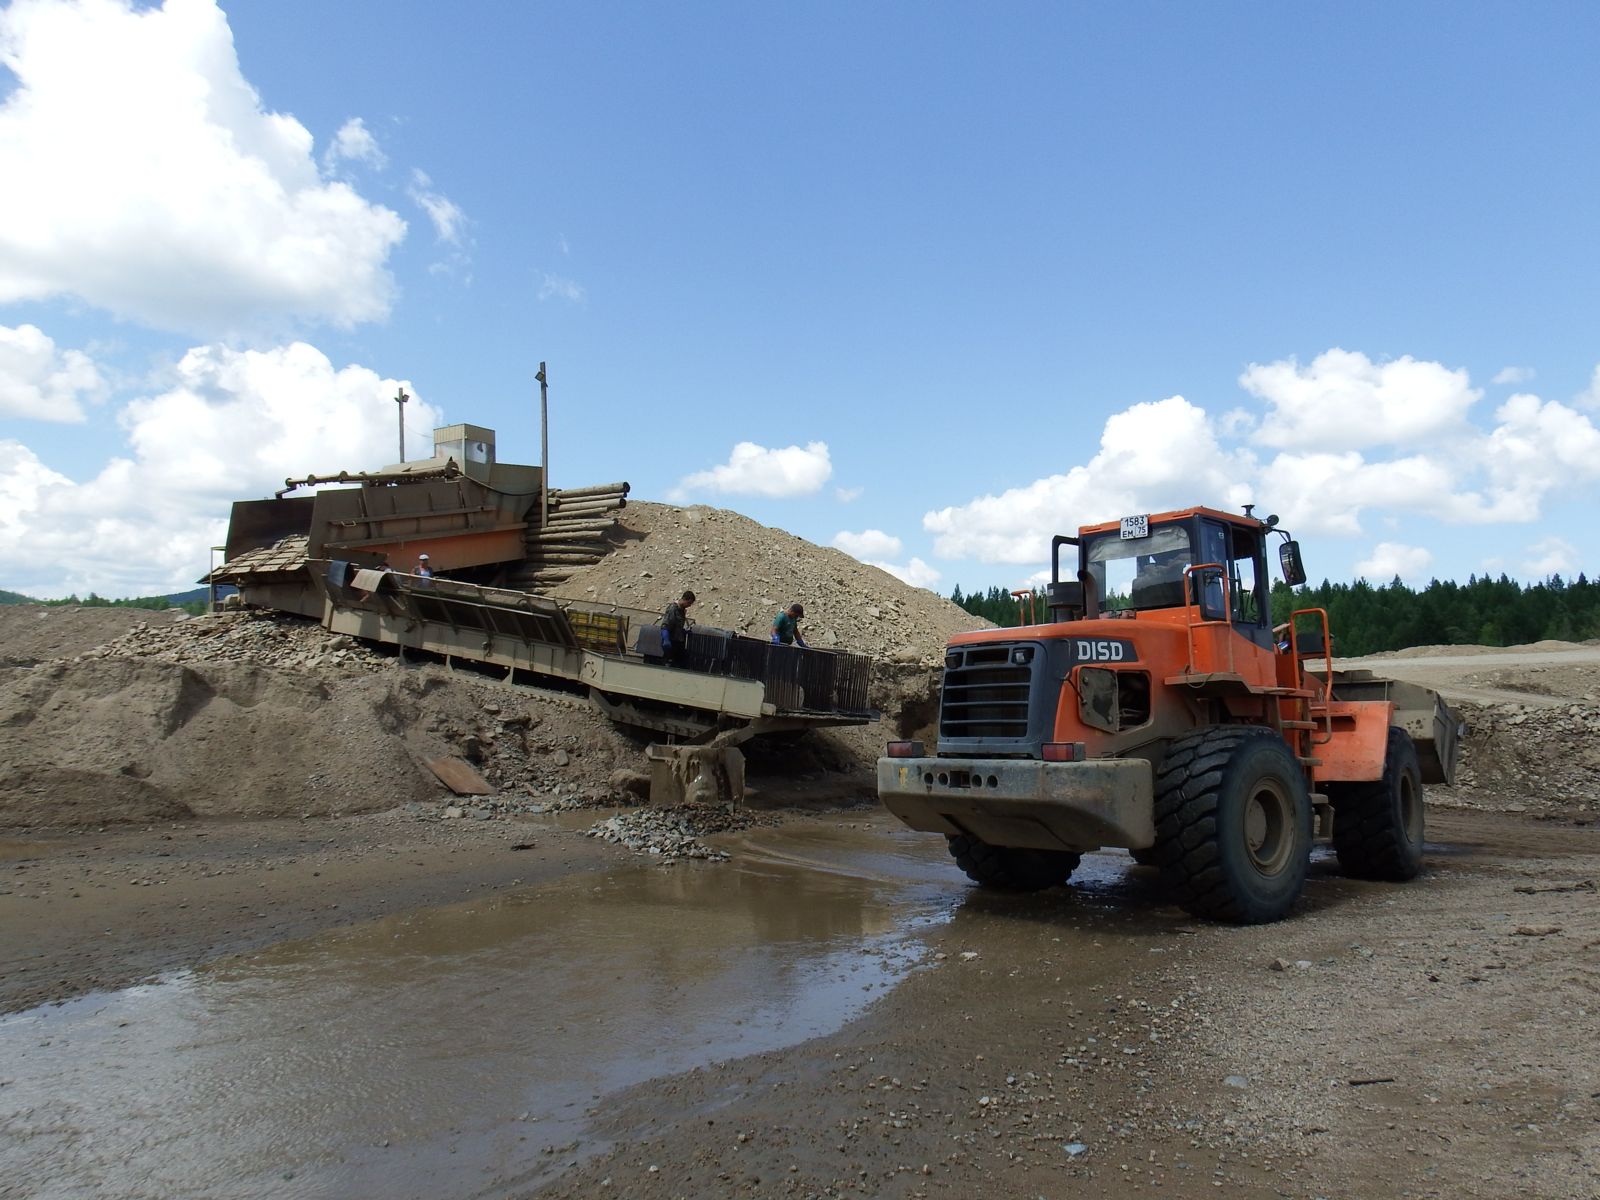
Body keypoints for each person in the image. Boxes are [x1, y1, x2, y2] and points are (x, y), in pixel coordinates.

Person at [660, 589, 695, 667]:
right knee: (669, 664)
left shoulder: (682, 610)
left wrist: (684, 632)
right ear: (684, 599)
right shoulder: (673, 609)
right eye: (689, 603)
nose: (689, 605)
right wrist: (666, 639)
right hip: (671, 642)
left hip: (678, 642)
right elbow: (665, 625)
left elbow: (677, 626)